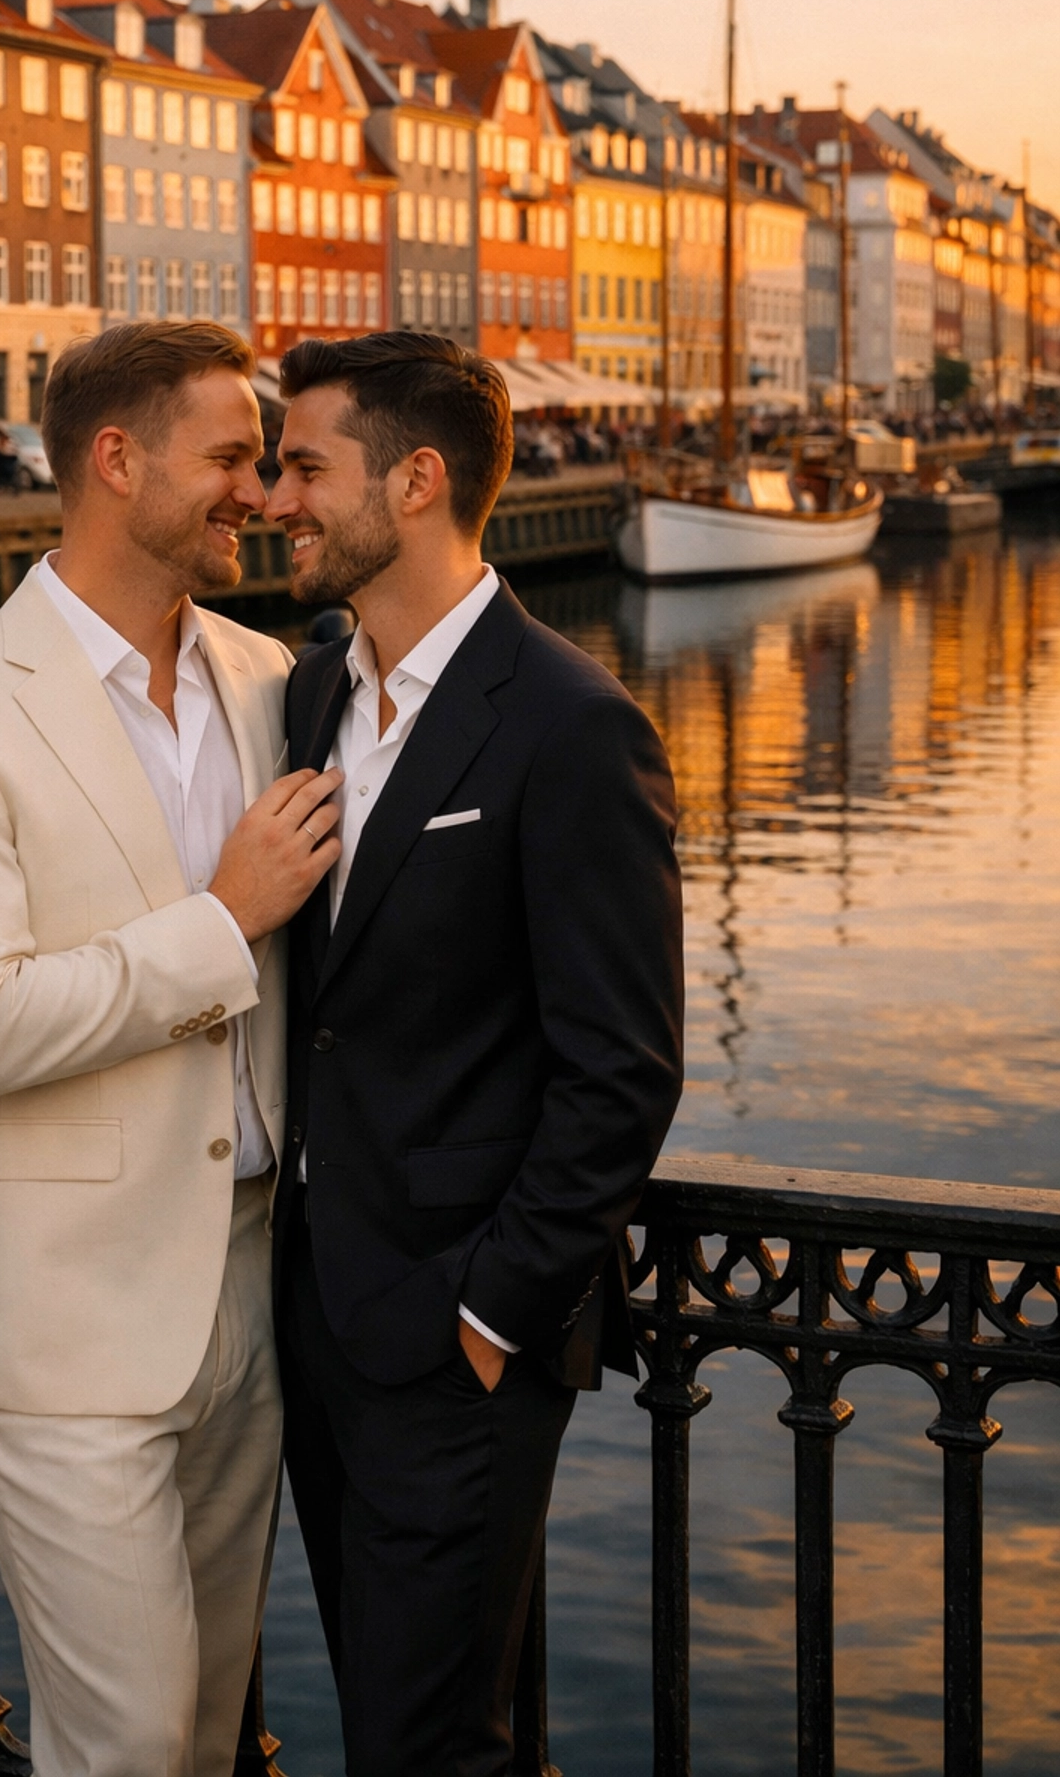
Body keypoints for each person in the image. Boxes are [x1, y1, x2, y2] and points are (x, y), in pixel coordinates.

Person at [0, 322, 342, 1777]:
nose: (260, 493)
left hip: (246, 1296)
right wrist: (220, 919)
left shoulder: (277, 684)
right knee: (123, 1744)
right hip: (58, 1316)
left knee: (198, 1730)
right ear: (117, 463)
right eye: (233, 458)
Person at [264, 331, 684, 1777]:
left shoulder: (572, 724)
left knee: (431, 1749)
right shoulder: (318, 691)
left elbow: (622, 1068)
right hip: (318, 1307)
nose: (278, 498)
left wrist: (492, 1319)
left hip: (454, 1341)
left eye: (307, 464)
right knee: (392, 1719)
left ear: (418, 479)